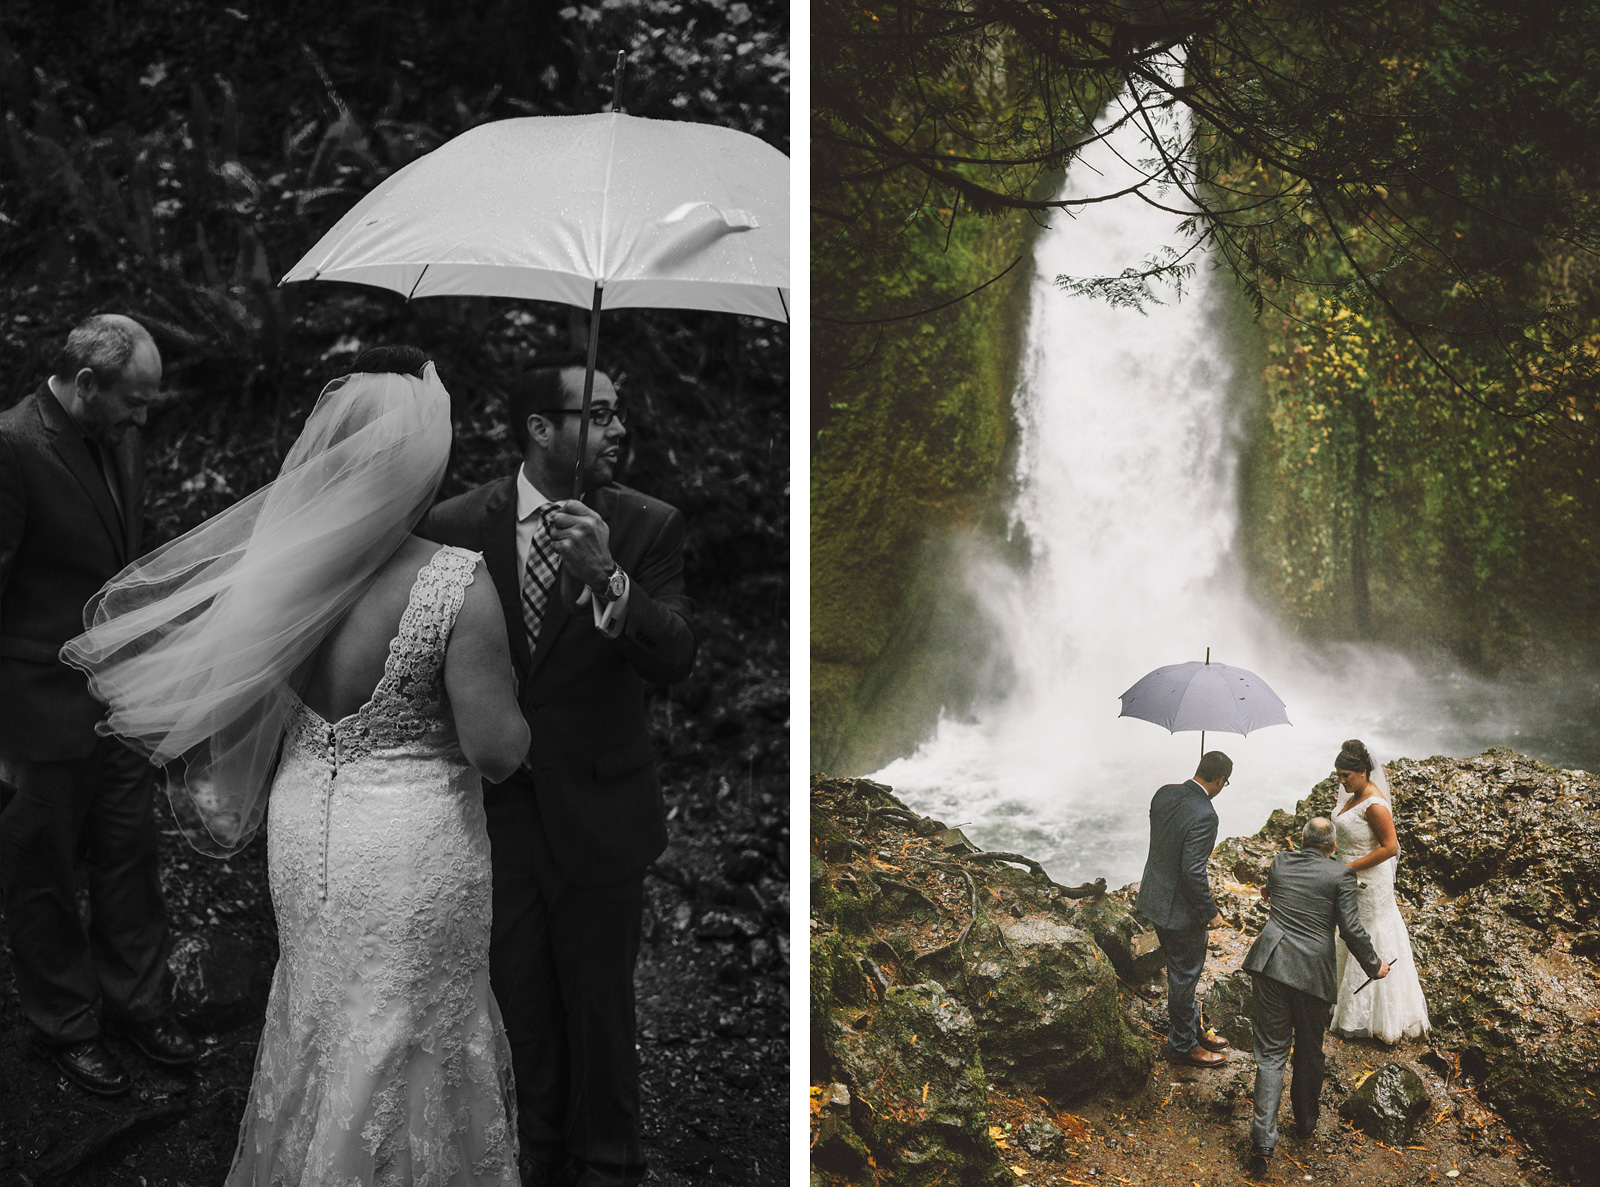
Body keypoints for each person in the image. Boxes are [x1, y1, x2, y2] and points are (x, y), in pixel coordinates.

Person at [61, 347, 530, 1184]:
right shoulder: (454, 581)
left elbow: (252, 700)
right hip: (409, 847)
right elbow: (497, 753)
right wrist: (531, 717)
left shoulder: (283, 574)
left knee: (320, 1017)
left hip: (309, 823)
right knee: (412, 1034)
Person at [421, 349, 696, 1187]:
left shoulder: (648, 524)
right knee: (520, 1003)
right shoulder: (455, 523)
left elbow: (677, 656)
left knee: (602, 1012)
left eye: (617, 412)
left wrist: (607, 577)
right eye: (599, 412)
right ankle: (535, 1155)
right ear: (541, 428)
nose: (619, 428)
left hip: (604, 812)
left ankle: (609, 1162)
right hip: (494, 811)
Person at [0, 313, 198, 1096]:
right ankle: (67, 1026)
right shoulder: (12, 445)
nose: (142, 418)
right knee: (41, 874)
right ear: (86, 383)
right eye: (135, 401)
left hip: (118, 700)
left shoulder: (121, 435)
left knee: (129, 856)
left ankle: (139, 1005)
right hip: (31, 711)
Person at [1243, 816, 1389, 1170]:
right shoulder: (1340, 875)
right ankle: (1305, 1124)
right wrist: (1375, 966)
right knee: (1309, 1051)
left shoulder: (1280, 861)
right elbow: (1350, 929)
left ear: (1302, 841)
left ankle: (1263, 1142)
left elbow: (1272, 891)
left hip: (1270, 965)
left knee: (1271, 1055)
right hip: (1311, 975)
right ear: (1333, 847)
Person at [1136, 750, 1235, 1068]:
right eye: (1225, 783)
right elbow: (1193, 871)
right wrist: (1210, 911)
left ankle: (1193, 1030)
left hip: (1153, 898)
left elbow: (1164, 842)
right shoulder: (1206, 814)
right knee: (1184, 977)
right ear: (1220, 780)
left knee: (1181, 973)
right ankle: (1182, 1046)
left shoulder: (1164, 793)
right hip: (1180, 912)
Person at [1328, 738, 1430, 1043]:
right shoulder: (1353, 795)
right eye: (1339, 775)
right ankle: (1336, 1000)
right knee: (1347, 931)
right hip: (1347, 874)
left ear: (1363, 772)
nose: (1341, 781)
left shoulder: (1375, 804)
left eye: (1346, 775)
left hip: (1368, 881)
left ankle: (1369, 1015)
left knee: (1368, 931)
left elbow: (1390, 847)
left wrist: (1351, 867)